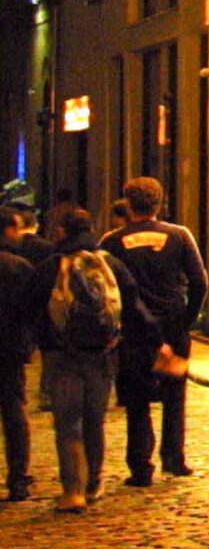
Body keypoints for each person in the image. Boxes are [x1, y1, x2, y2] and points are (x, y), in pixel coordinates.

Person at [100, 177, 206, 486]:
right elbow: (200, 282)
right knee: (174, 396)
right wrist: (186, 320)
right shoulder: (180, 236)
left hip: (133, 331)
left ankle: (140, 466)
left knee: (136, 400)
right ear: (159, 203)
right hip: (173, 329)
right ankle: (174, 459)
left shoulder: (112, 241)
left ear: (129, 204)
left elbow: (105, 288)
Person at [37, 210, 141, 512]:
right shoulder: (110, 265)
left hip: (62, 354)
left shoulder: (52, 266)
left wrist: (40, 341)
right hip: (103, 355)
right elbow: (132, 305)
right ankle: (94, 482)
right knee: (95, 420)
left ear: (60, 232)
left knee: (69, 424)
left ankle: (74, 490)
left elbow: (26, 306)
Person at [0, 236, 38, 502]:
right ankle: (18, 479)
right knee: (14, 412)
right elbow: (34, 310)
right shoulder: (19, 266)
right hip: (10, 349)